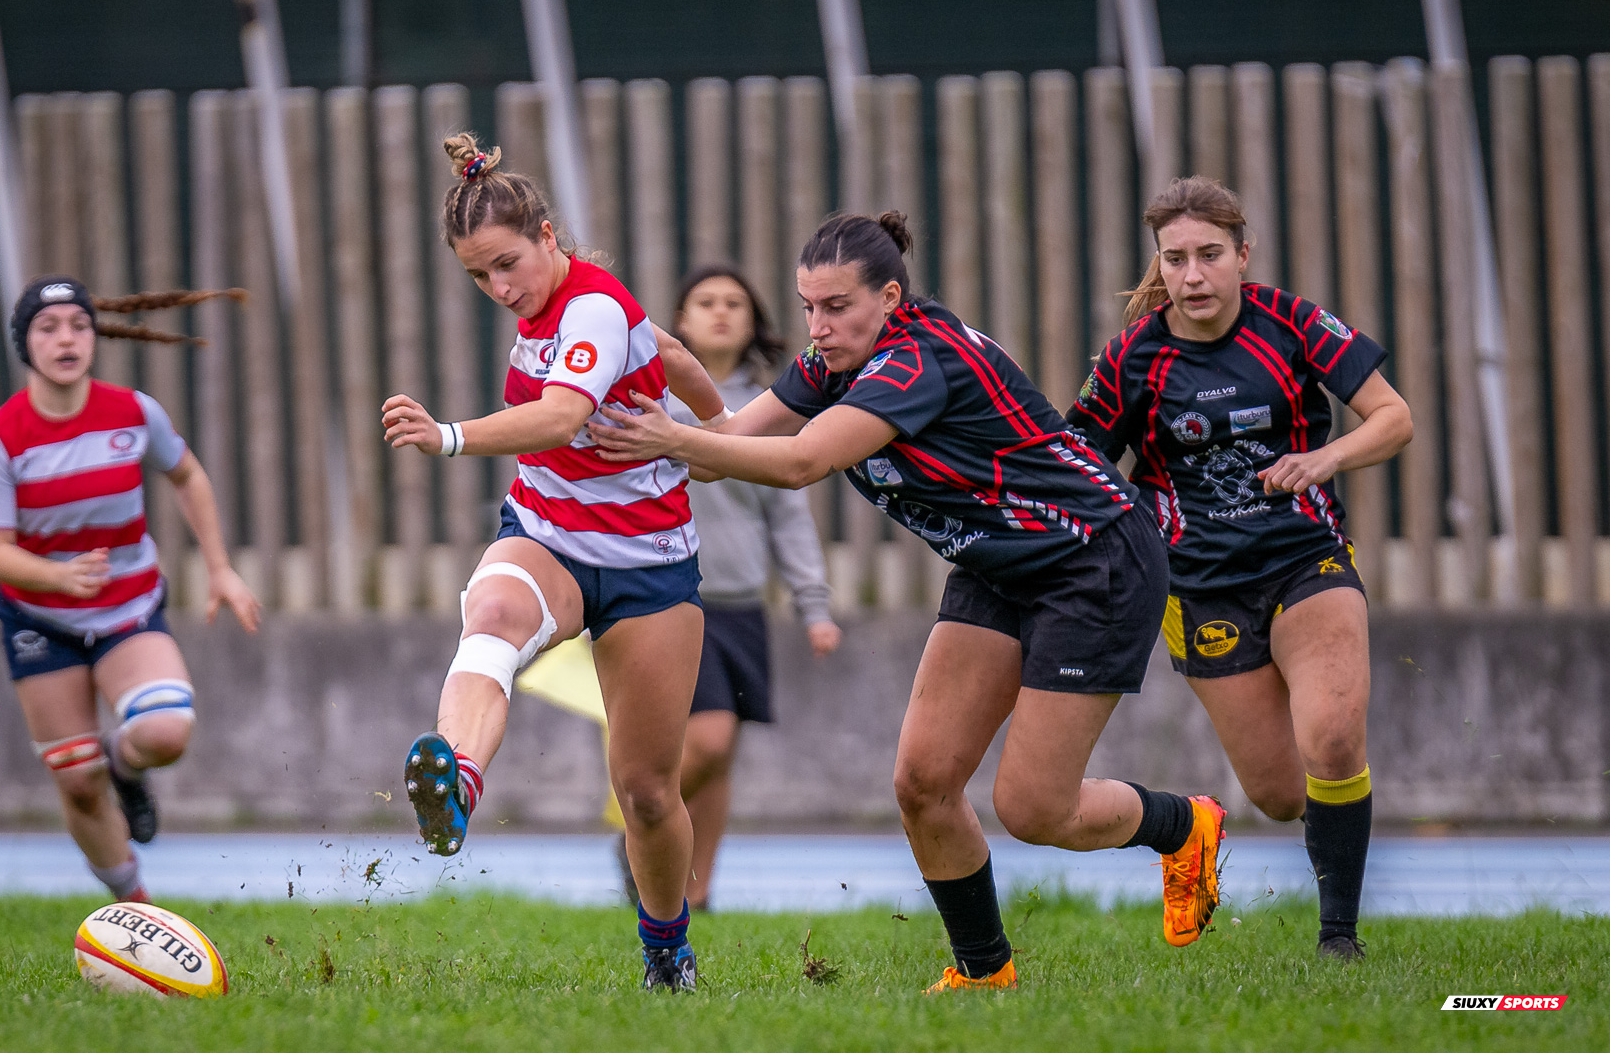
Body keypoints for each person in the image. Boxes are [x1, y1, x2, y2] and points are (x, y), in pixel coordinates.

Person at [589, 211, 1223, 993]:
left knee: (1032, 807)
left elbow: (797, 462)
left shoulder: (916, 361)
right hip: (998, 566)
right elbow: (733, 445)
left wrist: (674, 439)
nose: (817, 328)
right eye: (808, 306)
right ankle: (986, 973)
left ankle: (1183, 825)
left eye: (837, 307)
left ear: (890, 296)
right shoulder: (835, 360)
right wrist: (605, 325)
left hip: (1094, 562)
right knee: (922, 781)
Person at [381, 135, 728, 991]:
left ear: (546, 235)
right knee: (490, 616)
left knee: (648, 789)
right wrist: (716, 424)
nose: (499, 289)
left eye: (506, 265)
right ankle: (457, 780)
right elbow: (674, 353)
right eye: (478, 277)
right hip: (549, 536)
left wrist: (720, 438)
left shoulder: (595, 308)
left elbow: (563, 414)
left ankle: (666, 949)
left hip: (650, 565)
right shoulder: (562, 313)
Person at [1068, 176, 1413, 960]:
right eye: (1176, 258)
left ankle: (1339, 938)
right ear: (1159, 263)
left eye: (1210, 255)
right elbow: (1079, 459)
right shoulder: (1133, 357)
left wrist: (1323, 458)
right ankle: (1193, 825)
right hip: (1198, 589)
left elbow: (1395, 417)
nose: (1193, 275)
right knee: (1279, 791)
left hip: (1306, 561)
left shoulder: (1290, 323)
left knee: (1331, 737)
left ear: (1242, 254)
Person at [0, 277, 260, 905]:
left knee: (166, 732)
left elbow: (187, 475)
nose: (66, 339)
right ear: (25, 344)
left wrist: (219, 568)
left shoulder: (133, 412)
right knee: (75, 779)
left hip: (128, 609)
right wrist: (58, 577)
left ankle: (124, 769)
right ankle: (135, 910)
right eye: (48, 329)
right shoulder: (0, 439)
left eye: (78, 324)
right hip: (39, 618)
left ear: (95, 337)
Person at [653, 264, 842, 912]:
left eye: (735, 302)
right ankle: (644, 826)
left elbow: (788, 513)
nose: (721, 312)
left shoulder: (769, 411)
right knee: (709, 737)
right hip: (671, 598)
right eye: (704, 301)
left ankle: (695, 891)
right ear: (678, 324)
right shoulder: (652, 405)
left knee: (722, 751)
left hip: (742, 605)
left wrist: (812, 604)